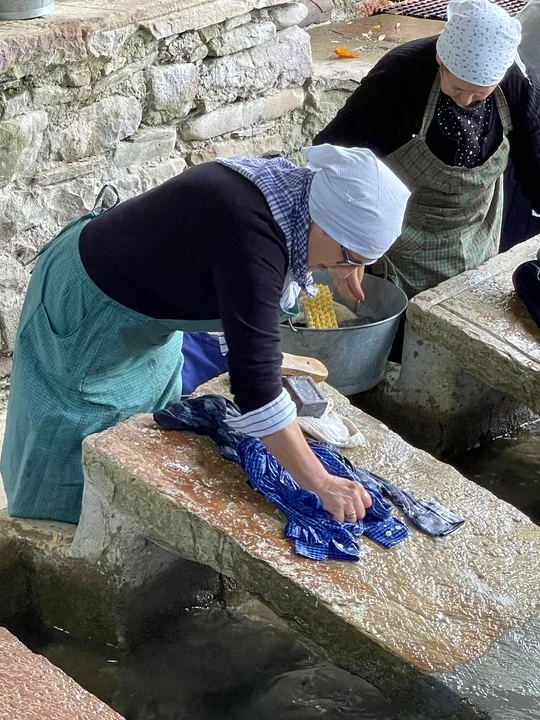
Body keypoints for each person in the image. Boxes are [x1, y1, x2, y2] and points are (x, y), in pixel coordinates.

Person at [0, 145, 410, 526]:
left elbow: (250, 306)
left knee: (146, 427)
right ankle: (49, 536)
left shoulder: (293, 197)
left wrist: (345, 260)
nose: (341, 269)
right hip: (90, 311)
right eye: (348, 257)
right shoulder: (252, 239)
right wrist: (321, 482)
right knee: (71, 440)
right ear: (328, 222)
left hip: (149, 314)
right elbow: (256, 390)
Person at [314, 0, 540, 301]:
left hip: (476, 236)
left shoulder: (516, 82)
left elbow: (535, 163)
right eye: (458, 88)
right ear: (440, 60)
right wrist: (344, 242)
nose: (467, 100)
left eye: (480, 93)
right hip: (402, 244)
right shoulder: (400, 77)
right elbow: (335, 156)